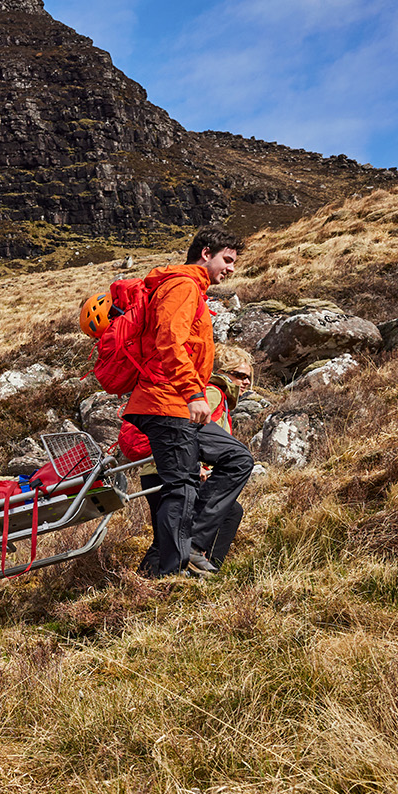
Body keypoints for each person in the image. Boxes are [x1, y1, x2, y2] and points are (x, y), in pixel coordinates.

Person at [121, 228, 256, 578]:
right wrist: (194, 393)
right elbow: (169, 340)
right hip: (166, 401)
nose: (230, 269)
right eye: (227, 260)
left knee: (237, 459)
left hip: (175, 403)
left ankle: (191, 546)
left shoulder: (192, 288)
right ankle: (172, 573)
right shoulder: (182, 285)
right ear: (206, 253)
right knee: (180, 488)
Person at [120, 344, 252, 573]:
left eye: (249, 377)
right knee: (223, 514)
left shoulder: (216, 396)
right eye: (239, 375)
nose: (246, 382)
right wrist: (198, 465)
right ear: (224, 373)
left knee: (169, 536)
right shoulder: (212, 393)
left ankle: (146, 581)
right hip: (170, 469)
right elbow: (187, 431)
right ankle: (202, 568)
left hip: (157, 472)